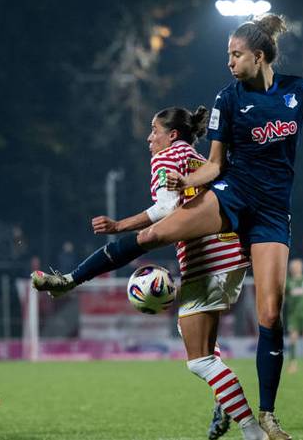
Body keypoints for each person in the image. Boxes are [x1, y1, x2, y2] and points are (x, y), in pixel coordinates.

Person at [32, 13, 303, 440]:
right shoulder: (228, 98)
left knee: (271, 313)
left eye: (235, 55)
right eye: (228, 55)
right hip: (232, 195)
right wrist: (186, 181)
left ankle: (267, 415)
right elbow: (216, 165)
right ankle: (70, 280)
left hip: (273, 213)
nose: (229, 63)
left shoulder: (299, 92)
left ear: (258, 57)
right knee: (154, 234)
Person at [81, 106, 263, 440]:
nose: (150, 138)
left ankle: (253, 431)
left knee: (199, 361)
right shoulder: (198, 159)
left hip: (208, 260)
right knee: (193, 336)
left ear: (172, 134)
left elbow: (165, 209)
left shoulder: (166, 157)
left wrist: (120, 226)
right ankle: (224, 398)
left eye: (154, 130)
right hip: (233, 252)